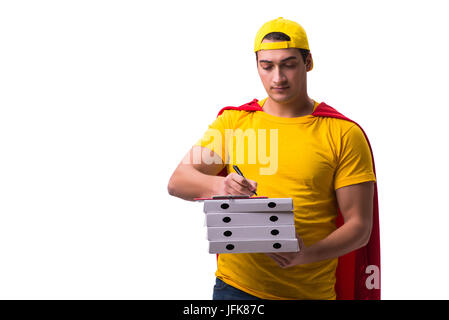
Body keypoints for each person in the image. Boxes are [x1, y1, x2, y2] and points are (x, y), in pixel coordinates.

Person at [167, 17, 379, 300]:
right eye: (267, 66)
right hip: (236, 289)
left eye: (288, 64)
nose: (277, 78)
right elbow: (178, 180)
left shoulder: (343, 133)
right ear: (257, 66)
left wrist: (305, 254)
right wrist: (221, 186)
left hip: (310, 293)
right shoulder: (233, 124)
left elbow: (359, 226)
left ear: (308, 63)